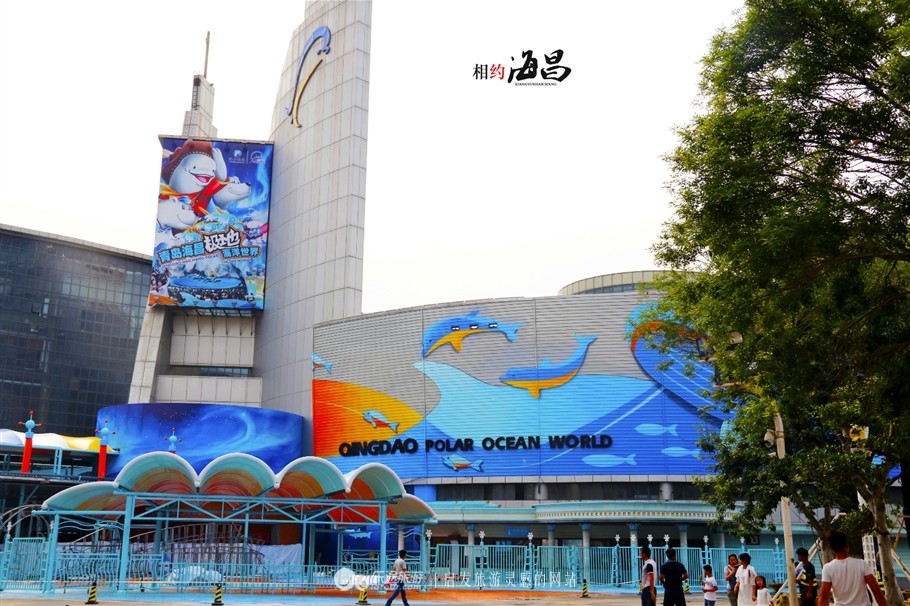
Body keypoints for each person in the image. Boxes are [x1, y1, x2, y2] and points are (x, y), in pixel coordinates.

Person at [816, 529, 886, 606]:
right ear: (847, 545)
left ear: (831, 548)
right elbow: (877, 592)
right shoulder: (862, 564)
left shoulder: (828, 568)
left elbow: (823, 597)